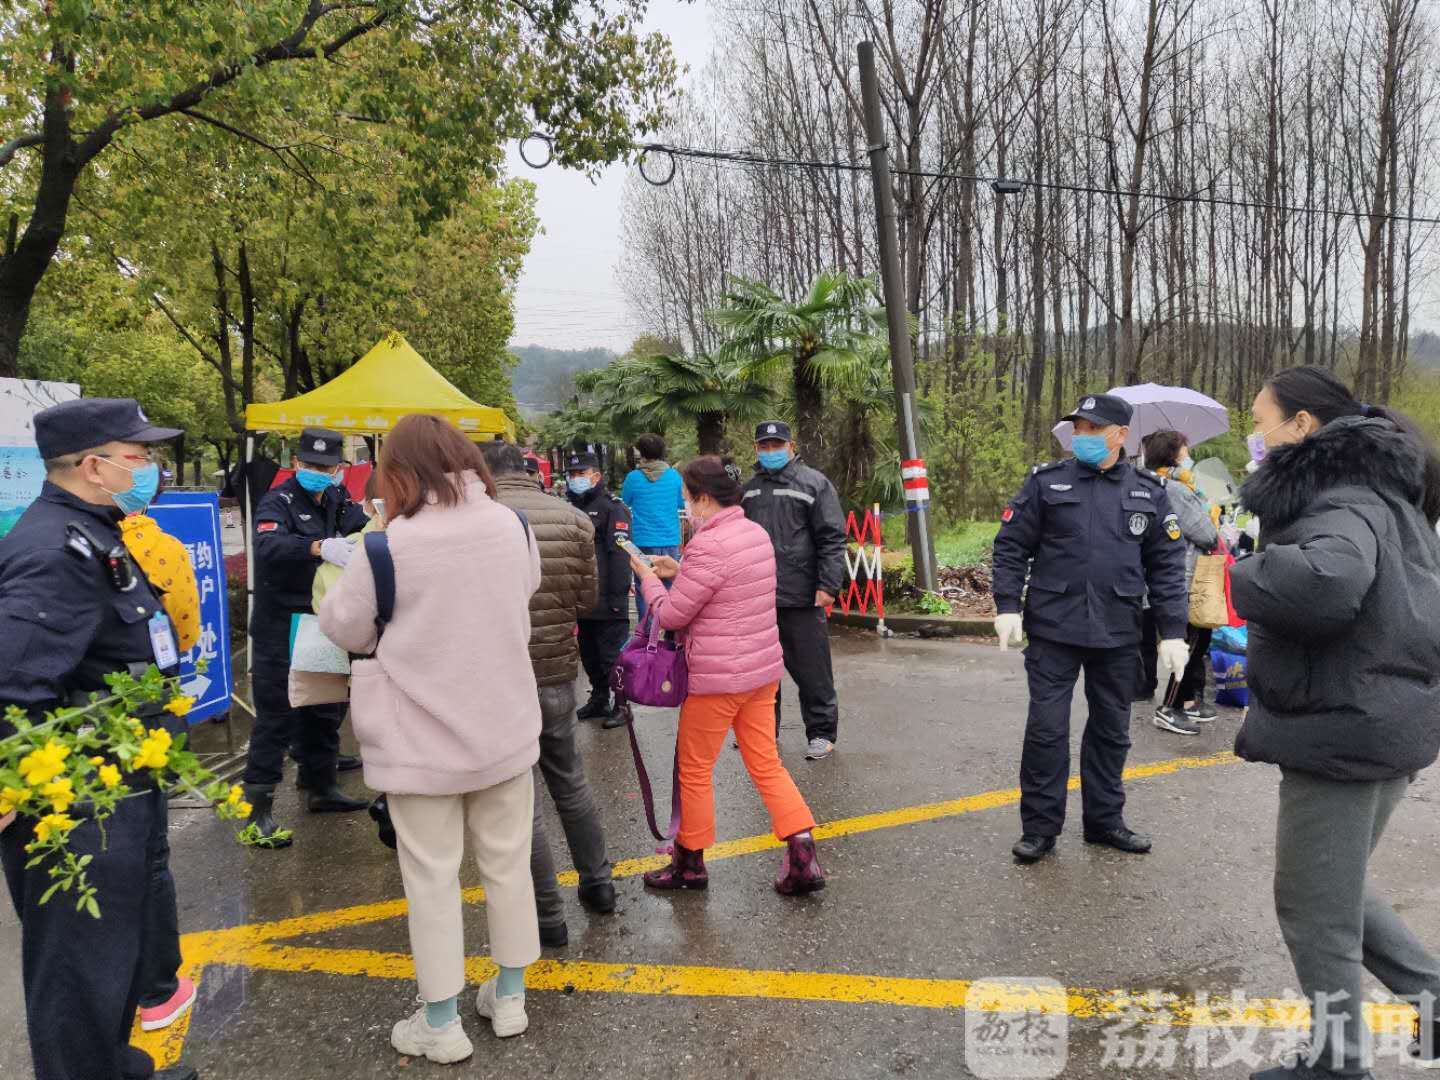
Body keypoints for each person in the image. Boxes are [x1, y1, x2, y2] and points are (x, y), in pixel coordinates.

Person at [1230, 367, 1440, 1079]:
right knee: (1336, 889)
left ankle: (1337, 1063)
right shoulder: (1383, 492)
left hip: (1344, 728)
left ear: (1302, 425)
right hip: (1383, 720)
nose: (1255, 434)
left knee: (1314, 908)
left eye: (1261, 419)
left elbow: (1329, 581)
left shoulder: (1339, 498)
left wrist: (1239, 575)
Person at [320, 414, 543, 1065]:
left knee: (432, 880)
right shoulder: (512, 525)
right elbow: (525, 590)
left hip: (419, 744)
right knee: (508, 865)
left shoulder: (386, 548)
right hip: (505, 729)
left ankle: (441, 1023)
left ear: (398, 472)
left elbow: (346, 628)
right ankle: (510, 998)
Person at [0, 397, 198, 1080]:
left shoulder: (91, 532)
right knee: (79, 974)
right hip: (76, 803)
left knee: (112, 960)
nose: (150, 467)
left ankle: (116, 1068)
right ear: (94, 466)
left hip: (114, 787)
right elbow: (13, 684)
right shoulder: (55, 551)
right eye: (139, 456)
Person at [991, 393, 1189, 865]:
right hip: (1054, 628)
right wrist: (1007, 606)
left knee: (1111, 731)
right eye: (1078, 428)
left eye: (1091, 429)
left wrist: (1173, 632)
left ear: (1120, 435)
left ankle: (1104, 821)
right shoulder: (1047, 483)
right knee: (1046, 731)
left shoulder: (1148, 492)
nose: (1081, 437)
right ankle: (1040, 828)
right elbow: (1011, 546)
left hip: (1118, 631)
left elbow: (1166, 566)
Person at [630, 456, 826, 894]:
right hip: (761, 673)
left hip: (716, 679)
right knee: (766, 762)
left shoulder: (707, 545)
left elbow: (673, 615)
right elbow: (728, 587)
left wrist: (648, 580)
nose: (685, 508)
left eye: (687, 499)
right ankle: (803, 853)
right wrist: (679, 571)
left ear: (703, 498)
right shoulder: (754, 533)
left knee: (695, 769)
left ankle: (689, 864)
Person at [482, 441, 616, 949]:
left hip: (503, 677)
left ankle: (549, 916)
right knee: (571, 781)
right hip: (558, 671)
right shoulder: (573, 519)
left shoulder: (479, 523)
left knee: (524, 799)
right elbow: (587, 599)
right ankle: (599, 885)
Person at [243, 427, 371, 845]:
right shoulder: (277, 501)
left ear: (339, 469)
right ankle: (257, 812)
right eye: (311, 465)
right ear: (296, 463)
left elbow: (362, 527)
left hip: (321, 623)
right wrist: (316, 548)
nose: (319, 473)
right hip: (281, 626)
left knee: (324, 707)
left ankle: (321, 786)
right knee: (276, 716)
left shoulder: (337, 498)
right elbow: (268, 548)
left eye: (327, 467)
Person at [741, 420, 847, 761]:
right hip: (758, 597)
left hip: (801, 595)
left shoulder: (814, 483)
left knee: (812, 672)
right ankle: (762, 733)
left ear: (791, 446)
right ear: (756, 448)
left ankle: (821, 733)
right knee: (760, 674)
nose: (771, 451)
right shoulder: (749, 490)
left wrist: (828, 585)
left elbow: (832, 537)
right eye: (765, 445)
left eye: (777, 445)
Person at [1140, 430, 1221, 737]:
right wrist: (1211, 514)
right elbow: (1205, 533)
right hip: (1185, 576)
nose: (1189, 455)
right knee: (1190, 642)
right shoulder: (1174, 489)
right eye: (1185, 450)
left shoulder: (1158, 485)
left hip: (1177, 576)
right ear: (1173, 455)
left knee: (1195, 640)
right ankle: (1170, 707)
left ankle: (1187, 702)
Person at [564, 451, 632, 728]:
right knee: (590, 656)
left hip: (608, 599)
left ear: (596, 476)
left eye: (581, 474)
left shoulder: (613, 508)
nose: (575, 479)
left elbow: (620, 555)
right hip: (582, 598)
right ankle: (599, 699)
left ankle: (622, 705)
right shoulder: (571, 508)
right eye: (572, 474)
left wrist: (617, 597)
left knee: (611, 658)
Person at [620, 433, 685, 622]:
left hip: (641, 542)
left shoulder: (633, 478)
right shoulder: (674, 476)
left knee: (644, 587)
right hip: (670, 540)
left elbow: (625, 503)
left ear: (641, 453)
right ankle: (670, 629)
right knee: (670, 587)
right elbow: (681, 503)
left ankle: (647, 632)